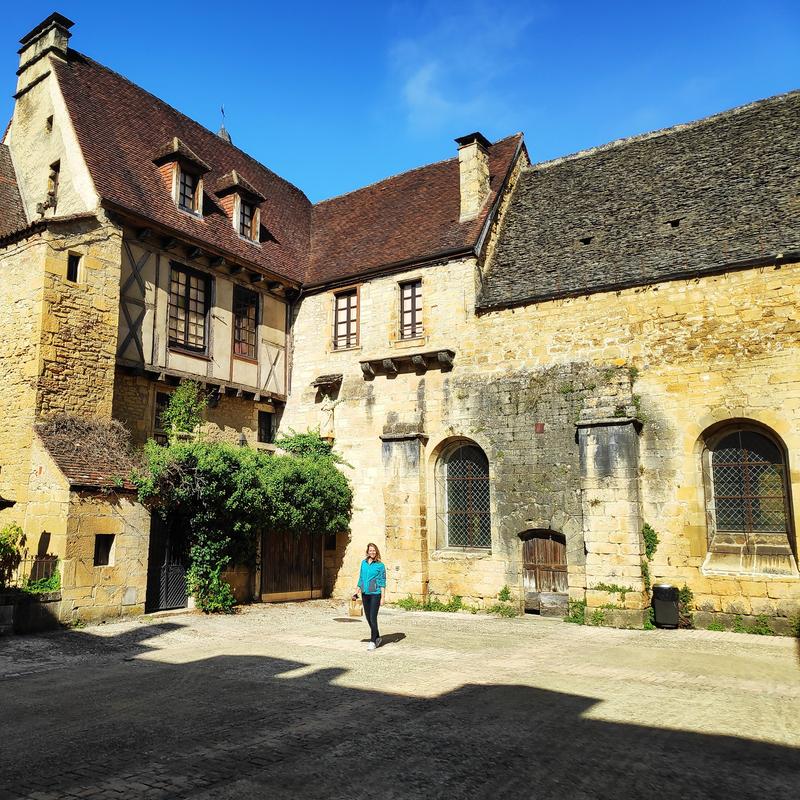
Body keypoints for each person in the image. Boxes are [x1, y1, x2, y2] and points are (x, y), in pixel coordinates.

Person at [353, 542, 386, 651]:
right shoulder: (363, 563)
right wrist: (357, 589)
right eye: (370, 550)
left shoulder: (380, 565)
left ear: (376, 552)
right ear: (367, 552)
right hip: (365, 593)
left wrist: (383, 597)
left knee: (373, 617)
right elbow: (361, 577)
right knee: (368, 618)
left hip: (375, 594)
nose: (372, 552)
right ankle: (377, 637)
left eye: (374, 550)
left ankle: (372, 641)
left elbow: (382, 582)